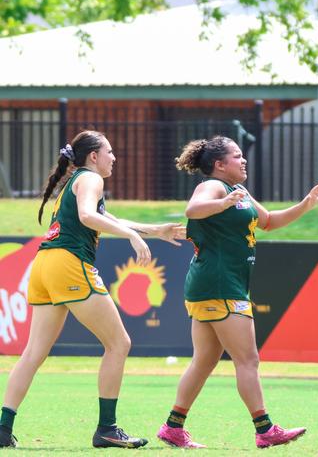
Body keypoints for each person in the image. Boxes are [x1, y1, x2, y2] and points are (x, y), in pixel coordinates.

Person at [0, 130, 186, 449]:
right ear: (93, 157)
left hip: (44, 264)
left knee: (33, 353)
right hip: (68, 264)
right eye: (109, 152)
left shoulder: (78, 182)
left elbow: (105, 216)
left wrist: (152, 229)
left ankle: (3, 429)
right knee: (119, 343)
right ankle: (107, 429)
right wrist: (133, 238)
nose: (114, 157)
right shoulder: (90, 179)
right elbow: (88, 216)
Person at [156, 135, 318, 450]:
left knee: (205, 360)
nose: (243, 160)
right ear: (220, 165)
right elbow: (193, 209)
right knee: (248, 360)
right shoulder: (215, 187)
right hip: (220, 284)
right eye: (236, 156)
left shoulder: (239, 192)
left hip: (212, 283)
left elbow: (269, 222)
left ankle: (173, 427)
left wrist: (305, 205)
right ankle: (265, 430)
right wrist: (222, 203)